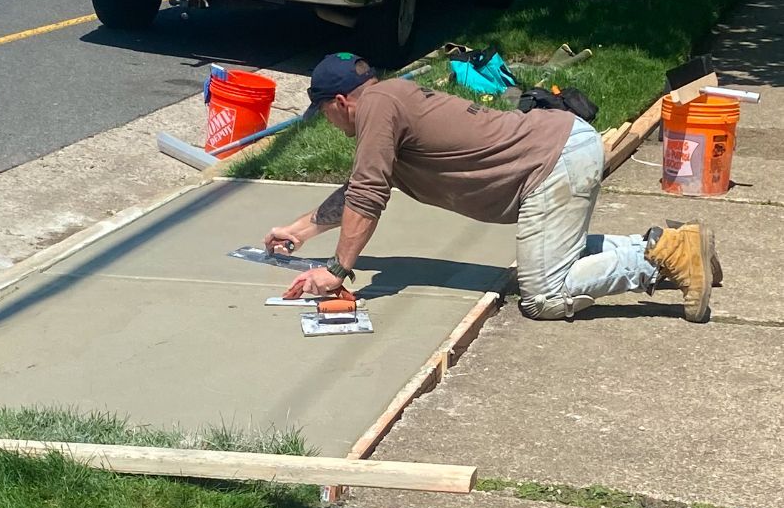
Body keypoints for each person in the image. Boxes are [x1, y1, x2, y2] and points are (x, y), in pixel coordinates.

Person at [265, 54, 719, 324]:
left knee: (543, 296)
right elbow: (358, 188)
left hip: (551, 162)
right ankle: (672, 248)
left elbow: (367, 199)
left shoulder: (377, 110)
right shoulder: (389, 100)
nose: (327, 120)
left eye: (324, 112)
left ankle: (663, 261)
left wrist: (337, 271)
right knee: (556, 259)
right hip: (560, 147)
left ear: (340, 103)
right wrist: (300, 230)